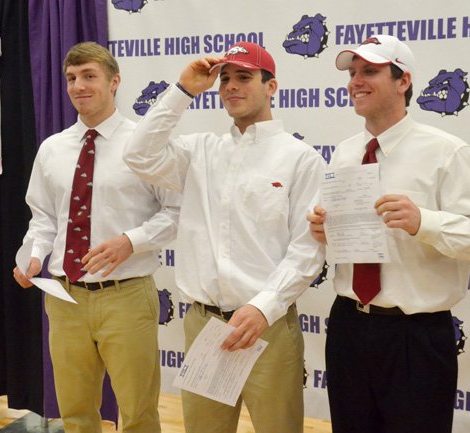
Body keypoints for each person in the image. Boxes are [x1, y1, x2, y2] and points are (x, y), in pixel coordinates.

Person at [306, 35, 470, 433]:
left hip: (414, 336)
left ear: (404, 81)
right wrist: (323, 229)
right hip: (349, 325)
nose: (356, 81)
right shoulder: (345, 152)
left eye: (370, 71)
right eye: (352, 72)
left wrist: (424, 222)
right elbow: (330, 226)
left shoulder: (446, 152)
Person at [123, 42, 326, 433]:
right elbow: (138, 154)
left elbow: (307, 250)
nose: (231, 87)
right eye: (226, 79)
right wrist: (183, 90)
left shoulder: (300, 158)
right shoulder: (199, 150)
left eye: (244, 77)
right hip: (205, 325)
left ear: (272, 87)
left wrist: (264, 307)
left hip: (267, 325)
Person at [13, 42, 179, 433]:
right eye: (71, 78)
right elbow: (43, 219)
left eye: (89, 76)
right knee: (75, 413)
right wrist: (33, 256)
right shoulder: (52, 149)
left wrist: (131, 240)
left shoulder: (145, 144)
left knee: (138, 414)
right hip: (65, 298)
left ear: (114, 82)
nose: (78, 86)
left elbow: (175, 213)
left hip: (126, 295)